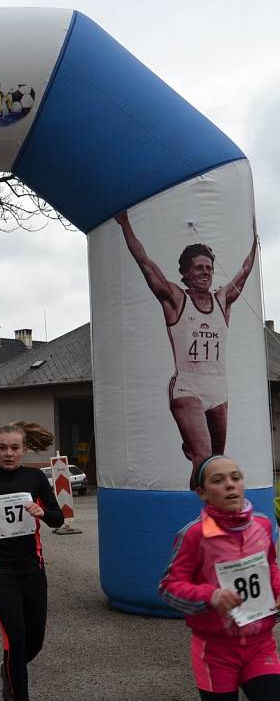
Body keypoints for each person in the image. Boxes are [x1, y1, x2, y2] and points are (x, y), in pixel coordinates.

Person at [114, 211, 257, 481]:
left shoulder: (222, 300)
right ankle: (196, 506)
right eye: (198, 268)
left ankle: (209, 508)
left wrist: (254, 238)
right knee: (204, 460)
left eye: (209, 269)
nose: (205, 273)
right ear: (186, 274)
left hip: (218, 388)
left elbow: (246, 268)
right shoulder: (175, 299)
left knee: (216, 465)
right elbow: (144, 262)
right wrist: (126, 225)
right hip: (186, 387)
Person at [159, 455, 280, 701]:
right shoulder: (194, 534)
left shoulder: (263, 525)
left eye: (236, 478)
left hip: (261, 644)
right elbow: (168, 587)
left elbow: (270, 568)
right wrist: (211, 595)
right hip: (215, 651)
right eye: (218, 480)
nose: (230, 484)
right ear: (202, 493)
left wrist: (278, 591)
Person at [0, 422, 64, 701]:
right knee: (16, 639)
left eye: (15, 448)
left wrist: (42, 512)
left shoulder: (35, 479)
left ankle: (7, 667)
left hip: (33, 570)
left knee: (34, 642)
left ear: (24, 450)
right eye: (3, 448)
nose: (8, 453)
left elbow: (58, 517)